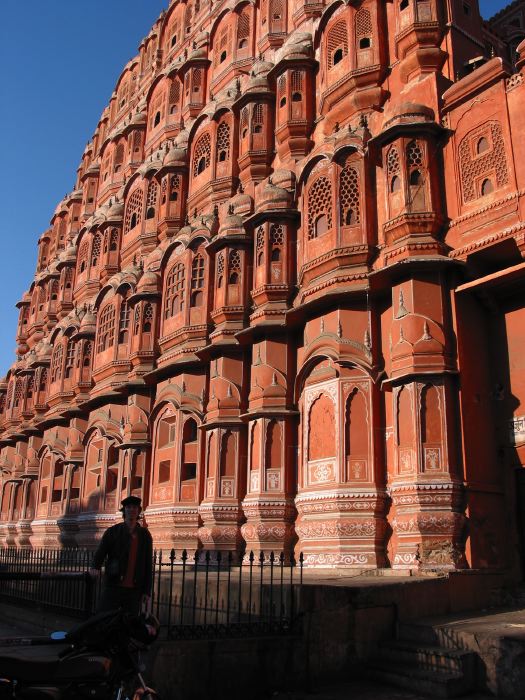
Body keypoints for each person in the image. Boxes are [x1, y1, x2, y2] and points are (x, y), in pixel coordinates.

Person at [89, 495, 153, 615]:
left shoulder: (144, 535)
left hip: (135, 588)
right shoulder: (113, 531)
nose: (132, 510)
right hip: (114, 584)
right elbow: (101, 551)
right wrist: (95, 567)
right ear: (124, 511)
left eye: (134, 507)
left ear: (138, 511)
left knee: (129, 622)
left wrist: (146, 591)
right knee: (104, 617)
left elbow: (148, 563)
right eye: (128, 507)